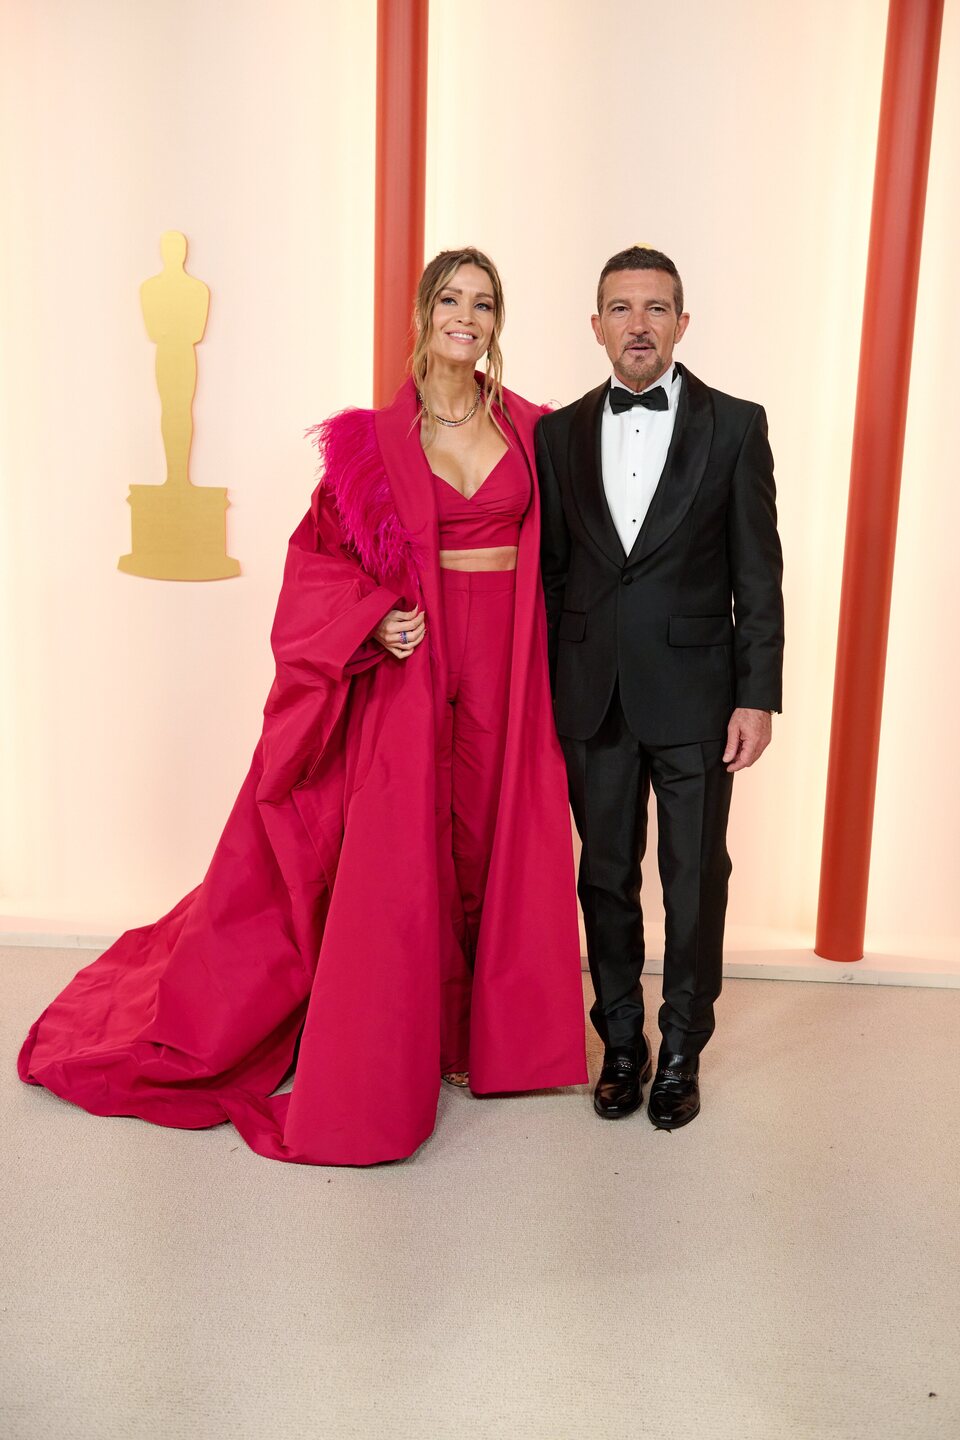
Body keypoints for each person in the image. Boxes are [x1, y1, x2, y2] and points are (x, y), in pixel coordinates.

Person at [18, 248, 587, 1166]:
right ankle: (420, 1039)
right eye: (451, 300)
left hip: (509, 661)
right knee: (411, 846)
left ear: (497, 322)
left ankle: (490, 1042)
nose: (467, 319)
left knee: (492, 834)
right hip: (416, 660)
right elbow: (317, 560)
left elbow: (576, 552)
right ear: (422, 312)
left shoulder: (535, 431)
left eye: (484, 305)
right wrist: (374, 621)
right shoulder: (371, 442)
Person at [536, 245, 783, 1129]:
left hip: (699, 699)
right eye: (620, 308)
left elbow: (758, 576)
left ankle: (683, 1049)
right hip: (591, 697)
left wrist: (757, 694)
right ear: (596, 325)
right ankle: (623, 1045)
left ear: (683, 322)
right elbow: (555, 573)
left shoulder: (738, 425)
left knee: (693, 878)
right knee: (603, 878)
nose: (637, 324)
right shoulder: (556, 433)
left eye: (655, 308)